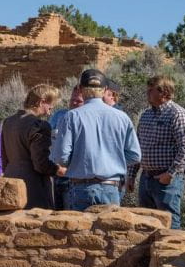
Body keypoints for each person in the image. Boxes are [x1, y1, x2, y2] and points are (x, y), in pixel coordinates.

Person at [52, 69, 141, 210]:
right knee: (109, 231)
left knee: (80, 232)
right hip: (111, 188)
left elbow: (61, 157)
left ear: (81, 89)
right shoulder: (122, 117)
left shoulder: (71, 116)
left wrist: (78, 162)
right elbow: (135, 155)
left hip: (80, 188)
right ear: (105, 89)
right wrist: (113, 160)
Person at [128, 75, 185, 229]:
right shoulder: (146, 115)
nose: (147, 93)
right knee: (145, 223)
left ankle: (170, 252)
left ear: (164, 93)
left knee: (169, 223)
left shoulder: (177, 114)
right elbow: (137, 146)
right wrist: (131, 175)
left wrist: (170, 174)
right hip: (146, 178)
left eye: (151, 90)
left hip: (166, 180)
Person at [2, 84, 65, 208]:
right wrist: (57, 169)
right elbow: (41, 164)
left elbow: (5, 158)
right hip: (33, 187)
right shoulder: (39, 125)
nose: (51, 109)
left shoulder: (8, 122)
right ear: (42, 102)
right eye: (51, 105)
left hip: (11, 181)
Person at [49, 84, 84, 210]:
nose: (74, 103)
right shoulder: (59, 116)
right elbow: (49, 139)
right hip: (56, 174)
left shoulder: (86, 120)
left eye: (79, 101)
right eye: (72, 100)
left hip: (75, 178)